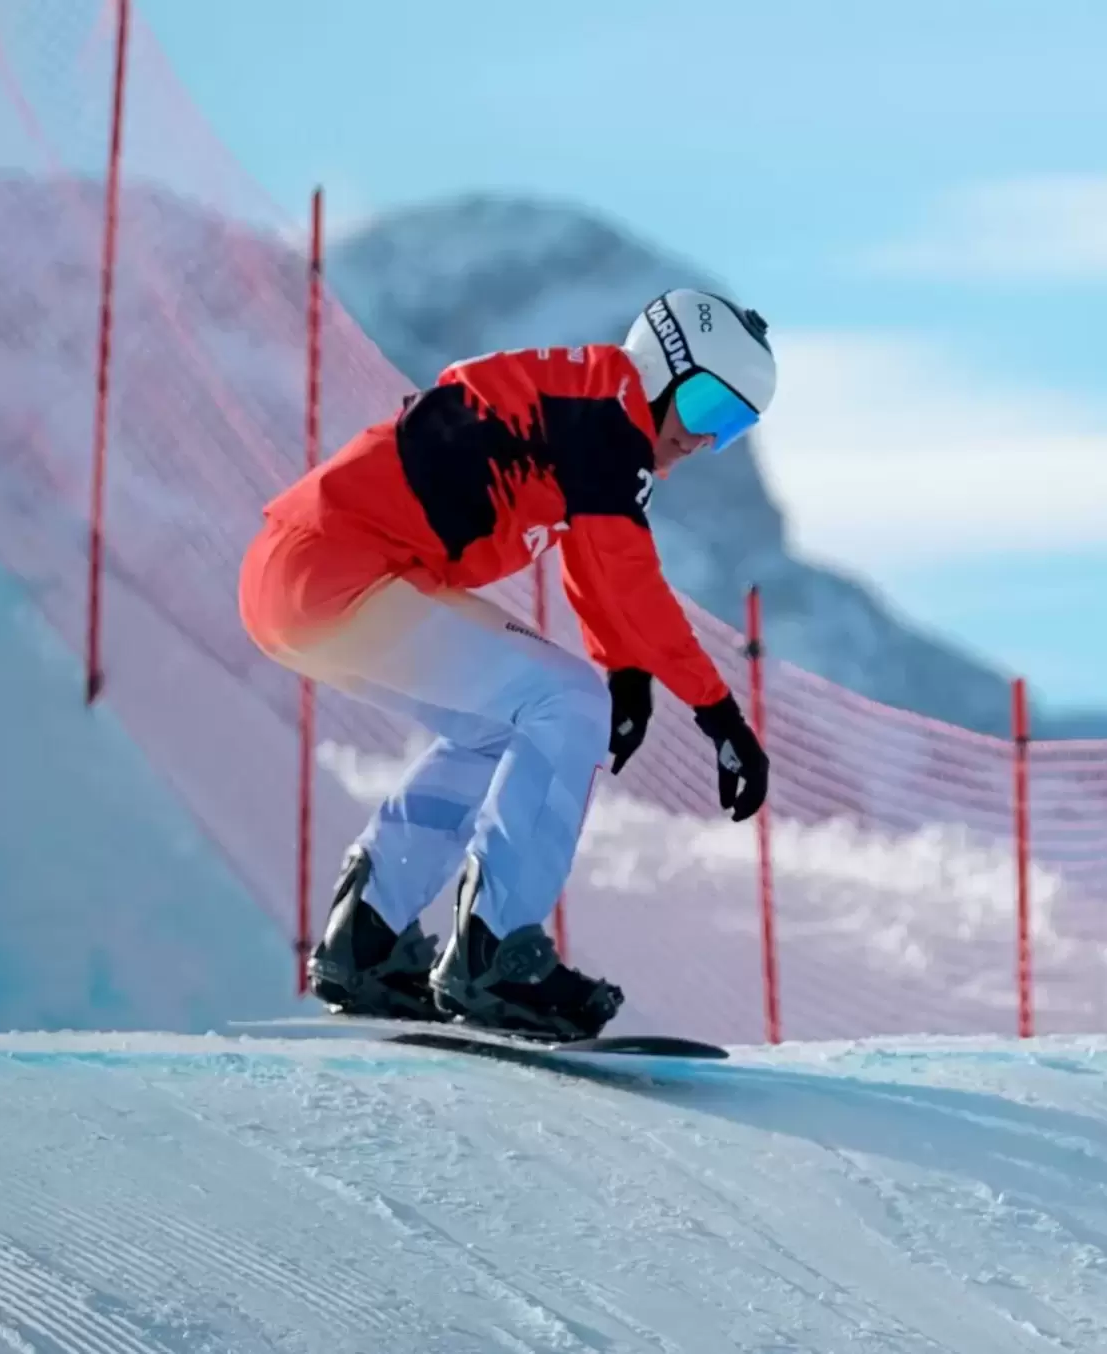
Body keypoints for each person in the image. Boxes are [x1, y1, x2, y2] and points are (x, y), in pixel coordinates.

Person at [237, 288, 776, 1041]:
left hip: (306, 576)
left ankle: (367, 938)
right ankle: (494, 954)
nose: (705, 440)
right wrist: (716, 711)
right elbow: (624, 572)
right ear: (665, 367)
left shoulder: (592, 414)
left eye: (735, 427)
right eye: (711, 408)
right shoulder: (607, 411)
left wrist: (627, 670)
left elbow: (590, 560)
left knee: (504, 724)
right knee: (564, 704)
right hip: (336, 569)